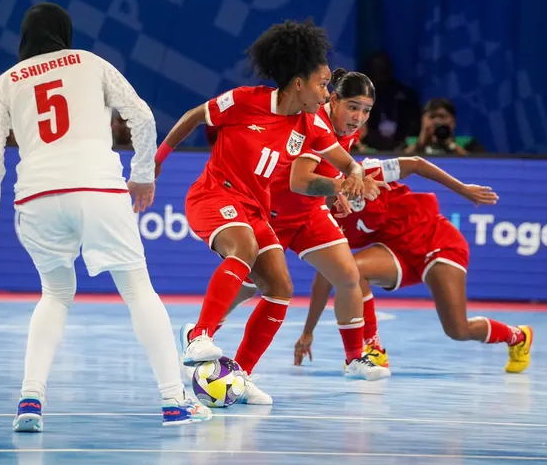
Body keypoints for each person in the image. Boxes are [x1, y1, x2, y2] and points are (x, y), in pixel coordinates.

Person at [0, 2, 210, 431]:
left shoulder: (6, 83)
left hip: (36, 198)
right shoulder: (89, 62)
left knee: (55, 294)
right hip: (97, 189)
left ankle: (29, 400)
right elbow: (141, 115)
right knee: (137, 290)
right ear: (64, 32)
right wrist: (142, 175)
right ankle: (175, 401)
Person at [154, 20, 380, 404]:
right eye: (323, 84)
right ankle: (198, 335)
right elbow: (194, 115)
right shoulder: (245, 100)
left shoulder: (310, 124)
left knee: (280, 287)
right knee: (242, 246)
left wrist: (355, 175)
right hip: (213, 195)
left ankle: (237, 376)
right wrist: (155, 163)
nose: (327, 94)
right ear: (297, 83)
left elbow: (346, 163)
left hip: (256, 209)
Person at [292, 156, 535, 374]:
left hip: (437, 241)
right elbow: (326, 276)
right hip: (397, 253)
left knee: (458, 330)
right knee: (352, 270)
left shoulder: (367, 172)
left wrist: (463, 189)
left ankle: (518, 335)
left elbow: (417, 164)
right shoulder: (326, 217)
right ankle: (374, 348)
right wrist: (307, 332)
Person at [224, 68, 391, 380]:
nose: (358, 117)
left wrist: (333, 191)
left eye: (366, 111)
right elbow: (299, 181)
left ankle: (355, 359)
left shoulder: (348, 129)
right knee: (248, 289)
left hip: (309, 214)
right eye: (353, 107)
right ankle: (203, 334)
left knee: (347, 276)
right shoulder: (315, 124)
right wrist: (344, 186)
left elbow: (325, 175)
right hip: (272, 215)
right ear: (335, 99)